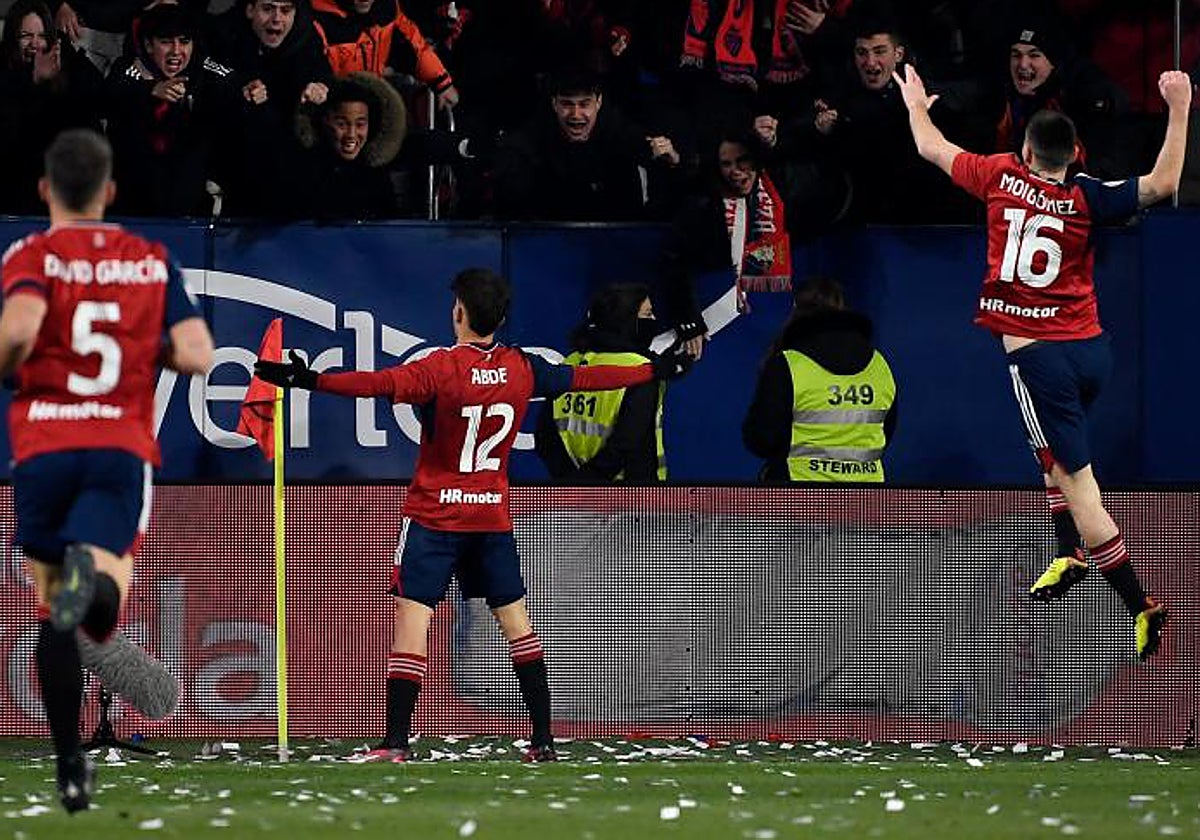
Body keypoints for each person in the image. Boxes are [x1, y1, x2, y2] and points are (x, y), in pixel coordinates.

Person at [253, 268, 691, 762]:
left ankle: (396, 740)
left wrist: (308, 379)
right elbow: (588, 377)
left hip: (435, 517)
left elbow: (374, 383)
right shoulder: (522, 367)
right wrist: (656, 370)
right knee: (517, 624)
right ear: (501, 318)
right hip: (490, 518)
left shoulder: (439, 368)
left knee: (413, 618)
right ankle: (543, 739)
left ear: (458, 312)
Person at [894, 63, 1191, 659]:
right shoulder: (1087, 194)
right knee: (1049, 453)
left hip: (1038, 359)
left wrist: (916, 105)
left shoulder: (1000, 176)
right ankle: (1065, 551)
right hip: (1092, 351)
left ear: (1025, 149)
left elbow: (930, 147)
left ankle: (1138, 604)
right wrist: (1181, 107)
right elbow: (1162, 183)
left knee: (1082, 488)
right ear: (1073, 153)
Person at [0, 128, 213, 812]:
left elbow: (19, 331)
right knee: (97, 610)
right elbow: (198, 352)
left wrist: (14, 366)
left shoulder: (30, 253)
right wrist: (150, 352)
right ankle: (87, 587)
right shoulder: (149, 260)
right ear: (110, 191)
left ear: (45, 190)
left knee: (53, 619)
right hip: (116, 447)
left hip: (42, 448)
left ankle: (69, 764)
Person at [661, 128, 797, 362]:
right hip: (714, 315)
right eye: (726, 164)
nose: (735, 171)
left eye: (742, 161)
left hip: (770, 317)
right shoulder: (702, 204)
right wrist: (689, 320)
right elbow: (674, 263)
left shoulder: (781, 188)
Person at [742, 276, 896, 482]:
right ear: (842, 308)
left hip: (800, 498)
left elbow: (762, 439)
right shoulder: (879, 363)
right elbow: (886, 431)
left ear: (796, 309)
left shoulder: (789, 364)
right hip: (865, 500)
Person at [535, 283, 667, 482]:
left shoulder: (570, 363)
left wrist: (572, 483)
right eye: (647, 314)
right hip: (631, 498)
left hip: (573, 491)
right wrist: (590, 482)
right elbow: (628, 441)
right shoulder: (641, 370)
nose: (654, 320)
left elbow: (545, 437)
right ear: (626, 319)